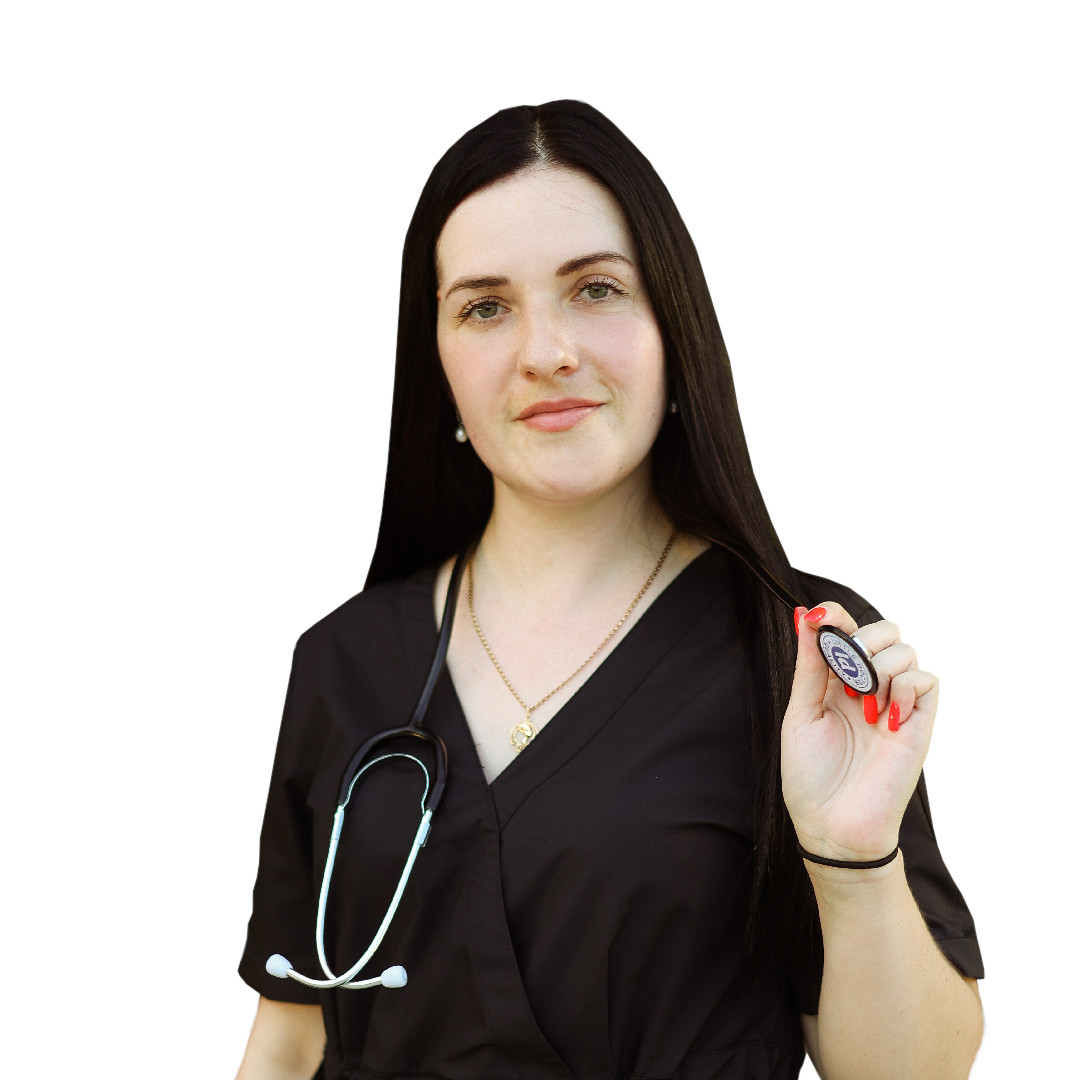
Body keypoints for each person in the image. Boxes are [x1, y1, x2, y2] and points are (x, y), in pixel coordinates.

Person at [235, 101, 984, 1080]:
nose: (546, 351)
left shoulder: (793, 651)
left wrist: (853, 857)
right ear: (438, 363)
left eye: (595, 289)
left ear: (674, 325)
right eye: (485, 306)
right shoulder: (344, 661)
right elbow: (289, 1042)